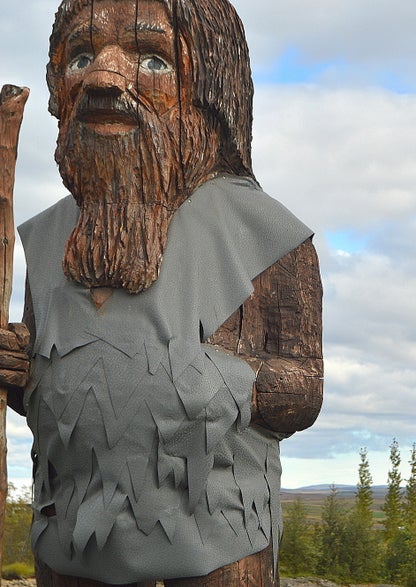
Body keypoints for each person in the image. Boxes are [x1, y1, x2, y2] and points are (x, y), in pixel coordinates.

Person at [0, 0, 322, 585]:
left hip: (218, 544)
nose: (103, 78)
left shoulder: (265, 235)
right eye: (80, 56)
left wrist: (211, 383)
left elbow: (304, 386)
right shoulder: (47, 239)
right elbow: (48, 393)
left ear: (209, 89)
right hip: (67, 541)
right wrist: (23, 370)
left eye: (151, 59)